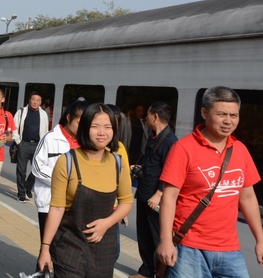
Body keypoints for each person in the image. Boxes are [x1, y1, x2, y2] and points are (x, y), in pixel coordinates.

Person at [156, 87, 263, 278]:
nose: (228, 121)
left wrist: (260, 239)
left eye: (234, 115)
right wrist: (165, 241)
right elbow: (169, 198)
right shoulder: (183, 148)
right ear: (204, 113)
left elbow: (247, 198)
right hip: (189, 248)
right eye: (221, 114)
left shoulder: (240, 150)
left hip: (230, 250)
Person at [37, 103, 133, 277]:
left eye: (108, 127)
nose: (102, 132)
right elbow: (57, 208)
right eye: (95, 126)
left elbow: (126, 201)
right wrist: (45, 247)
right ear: (85, 128)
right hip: (69, 246)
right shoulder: (67, 161)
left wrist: (106, 223)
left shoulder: (118, 163)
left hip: (104, 249)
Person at [127, 101, 178, 278]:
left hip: (155, 198)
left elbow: (172, 170)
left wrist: (159, 193)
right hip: (144, 192)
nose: (145, 118)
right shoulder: (154, 137)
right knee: (144, 235)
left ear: (155, 116)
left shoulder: (170, 141)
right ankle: (147, 270)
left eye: (147, 114)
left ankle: (163, 273)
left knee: (157, 237)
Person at [32, 100, 87, 241]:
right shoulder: (50, 138)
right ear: (69, 117)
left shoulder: (85, 143)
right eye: (79, 122)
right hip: (49, 202)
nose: (82, 127)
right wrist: (62, 181)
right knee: (48, 244)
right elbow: (37, 167)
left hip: (74, 204)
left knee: (66, 245)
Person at [12, 92, 50, 203]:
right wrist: (18, 142)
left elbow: (46, 130)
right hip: (23, 144)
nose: (35, 102)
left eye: (38, 100)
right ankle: (21, 194)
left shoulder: (43, 114)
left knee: (37, 170)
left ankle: (28, 186)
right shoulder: (21, 112)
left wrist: (43, 144)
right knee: (21, 171)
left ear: (41, 102)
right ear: (29, 100)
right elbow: (14, 127)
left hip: (38, 145)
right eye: (33, 99)